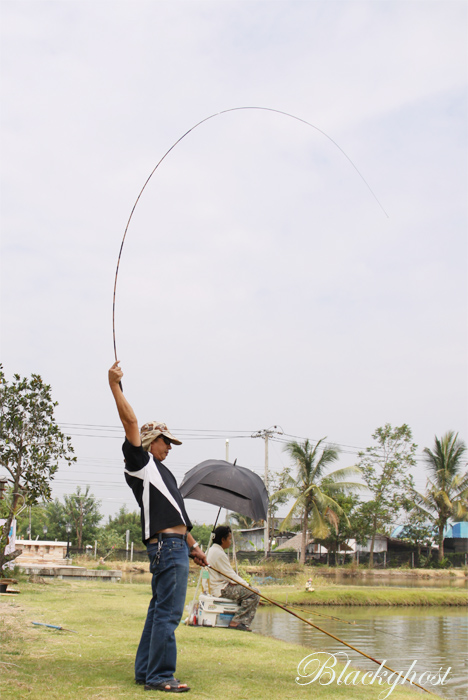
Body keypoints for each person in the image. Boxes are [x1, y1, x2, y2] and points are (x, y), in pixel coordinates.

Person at [108, 360, 207, 693]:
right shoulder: (142, 464)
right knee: (168, 613)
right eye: (166, 442)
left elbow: (177, 516)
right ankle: (161, 676)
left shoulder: (164, 474)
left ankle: (144, 672)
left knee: (158, 612)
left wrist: (194, 547)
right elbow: (130, 420)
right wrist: (115, 385)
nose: (169, 447)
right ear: (151, 441)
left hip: (177, 546)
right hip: (167, 548)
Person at [206, 525, 259, 631]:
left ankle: (237, 620)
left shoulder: (210, 551)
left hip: (213, 587)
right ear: (222, 539)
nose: (230, 541)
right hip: (220, 589)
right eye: (229, 539)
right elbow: (231, 576)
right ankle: (237, 622)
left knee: (251, 593)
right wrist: (248, 586)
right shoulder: (219, 554)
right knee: (254, 593)